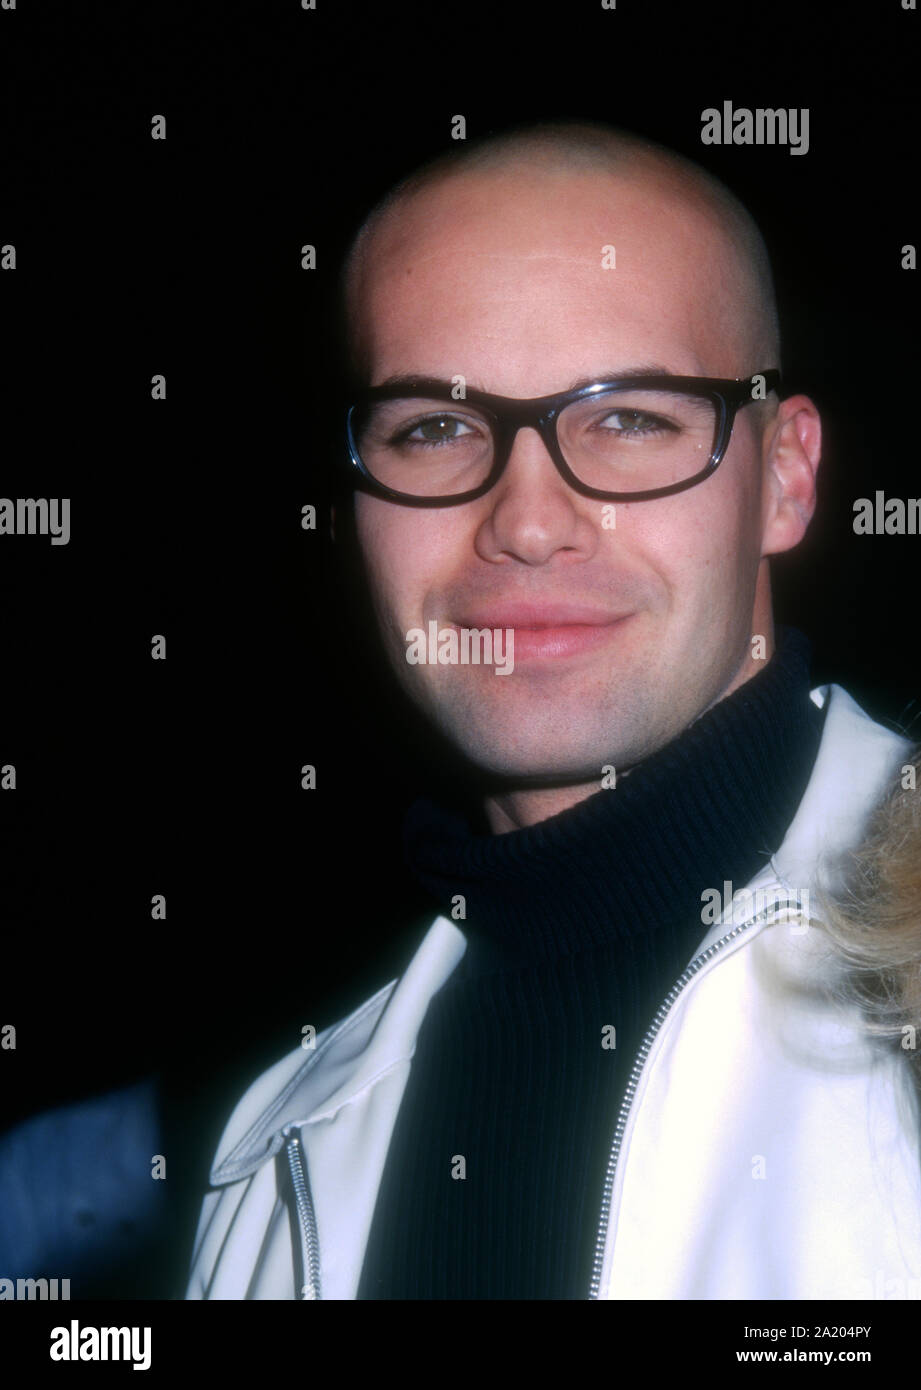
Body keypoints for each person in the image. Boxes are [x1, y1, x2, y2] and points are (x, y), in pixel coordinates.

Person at [185, 120, 921, 1300]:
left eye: (630, 419)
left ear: (784, 477)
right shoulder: (270, 1162)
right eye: (433, 428)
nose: (528, 521)